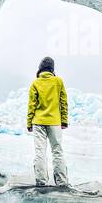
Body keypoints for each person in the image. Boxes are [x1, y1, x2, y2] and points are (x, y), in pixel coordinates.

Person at [26, 56, 69, 187]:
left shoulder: (36, 83)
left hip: (38, 122)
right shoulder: (58, 81)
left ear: (40, 68)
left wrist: (29, 123)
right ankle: (62, 182)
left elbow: (31, 105)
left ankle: (41, 181)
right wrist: (64, 121)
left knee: (40, 151)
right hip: (55, 122)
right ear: (52, 68)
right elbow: (63, 102)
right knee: (57, 150)